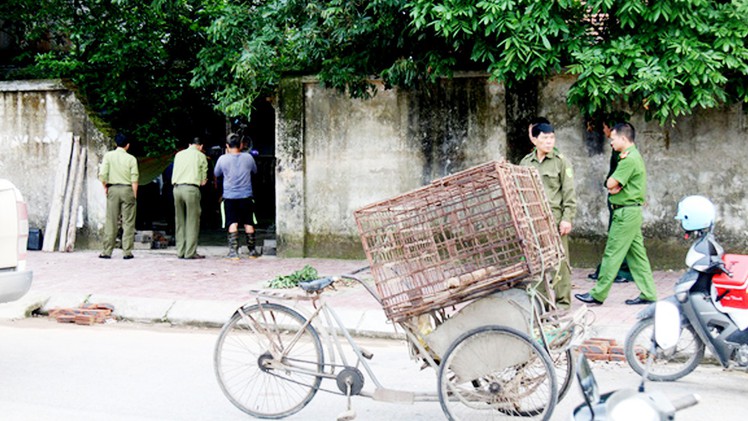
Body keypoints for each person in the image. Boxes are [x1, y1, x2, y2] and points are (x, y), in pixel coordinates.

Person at [575, 122, 658, 306]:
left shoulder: (628, 159)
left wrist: (611, 185)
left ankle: (598, 293)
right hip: (631, 211)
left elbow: (610, 183)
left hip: (625, 213)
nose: (611, 142)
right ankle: (649, 293)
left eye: (613, 139)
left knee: (612, 253)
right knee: (637, 256)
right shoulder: (631, 156)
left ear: (623, 138)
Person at [520, 121, 576, 309]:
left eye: (552, 137)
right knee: (538, 263)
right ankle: (542, 304)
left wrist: (567, 218)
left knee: (560, 262)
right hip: (533, 220)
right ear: (534, 140)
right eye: (544, 138)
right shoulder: (526, 162)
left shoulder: (561, 161)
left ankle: (563, 303)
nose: (549, 142)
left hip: (555, 219)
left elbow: (569, 192)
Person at [588, 120, 633, 284]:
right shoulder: (619, 150)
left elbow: (617, 179)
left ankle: (618, 272)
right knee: (620, 239)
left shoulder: (626, 154)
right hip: (617, 200)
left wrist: (611, 185)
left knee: (618, 239)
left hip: (623, 203)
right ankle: (608, 271)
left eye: (605, 127)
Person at [214, 133, 259, 259]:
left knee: (232, 222)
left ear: (227, 146)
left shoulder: (223, 159)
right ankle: (252, 251)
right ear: (241, 145)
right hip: (246, 196)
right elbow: (255, 171)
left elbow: (216, 173)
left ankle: (234, 252)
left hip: (230, 196)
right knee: (248, 222)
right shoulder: (249, 158)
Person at [99, 133, 139, 259]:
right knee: (128, 222)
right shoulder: (131, 159)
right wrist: (134, 195)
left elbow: (103, 174)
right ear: (127, 145)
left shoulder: (108, 156)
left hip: (113, 189)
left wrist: (105, 187)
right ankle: (127, 251)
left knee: (111, 221)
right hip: (127, 189)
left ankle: (107, 251)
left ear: (116, 144)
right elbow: (134, 179)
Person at [172, 137, 208, 259]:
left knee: (180, 221)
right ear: (201, 146)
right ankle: (190, 252)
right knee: (192, 220)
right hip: (191, 189)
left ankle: (180, 251)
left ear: (189, 144)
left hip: (177, 189)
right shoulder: (200, 156)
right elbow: (203, 181)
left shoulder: (179, 155)